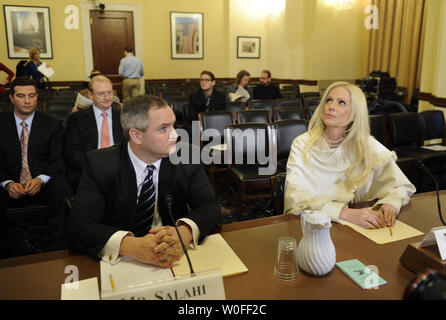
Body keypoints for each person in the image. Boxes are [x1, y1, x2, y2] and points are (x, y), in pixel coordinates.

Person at [67, 94, 221, 266]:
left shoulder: (186, 156)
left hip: (174, 256)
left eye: (173, 125)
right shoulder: (100, 164)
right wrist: (131, 246)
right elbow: (79, 227)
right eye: (164, 128)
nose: (175, 135)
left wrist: (183, 233)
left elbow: (210, 206)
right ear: (136, 136)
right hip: (124, 261)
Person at [284, 81, 416, 229]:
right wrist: (344, 213)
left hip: (355, 226)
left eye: (341, 102)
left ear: (354, 114)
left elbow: (401, 186)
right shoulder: (302, 144)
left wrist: (392, 203)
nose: (331, 106)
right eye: (328, 100)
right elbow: (295, 200)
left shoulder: (366, 145)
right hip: (311, 226)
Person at [0, 77, 73, 255]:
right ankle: (4, 251)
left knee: (64, 190)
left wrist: (40, 180)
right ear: (11, 98)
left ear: (37, 97)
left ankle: (65, 246)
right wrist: (8, 183)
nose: (27, 101)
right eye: (21, 96)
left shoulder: (53, 125)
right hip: (9, 181)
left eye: (31, 96)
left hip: (42, 182)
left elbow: (58, 161)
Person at [64, 75, 124, 190]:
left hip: (119, 169)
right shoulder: (77, 119)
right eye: (101, 93)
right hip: (88, 170)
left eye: (110, 93)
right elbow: (71, 152)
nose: (107, 97)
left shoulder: (123, 114)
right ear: (91, 95)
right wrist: (95, 168)